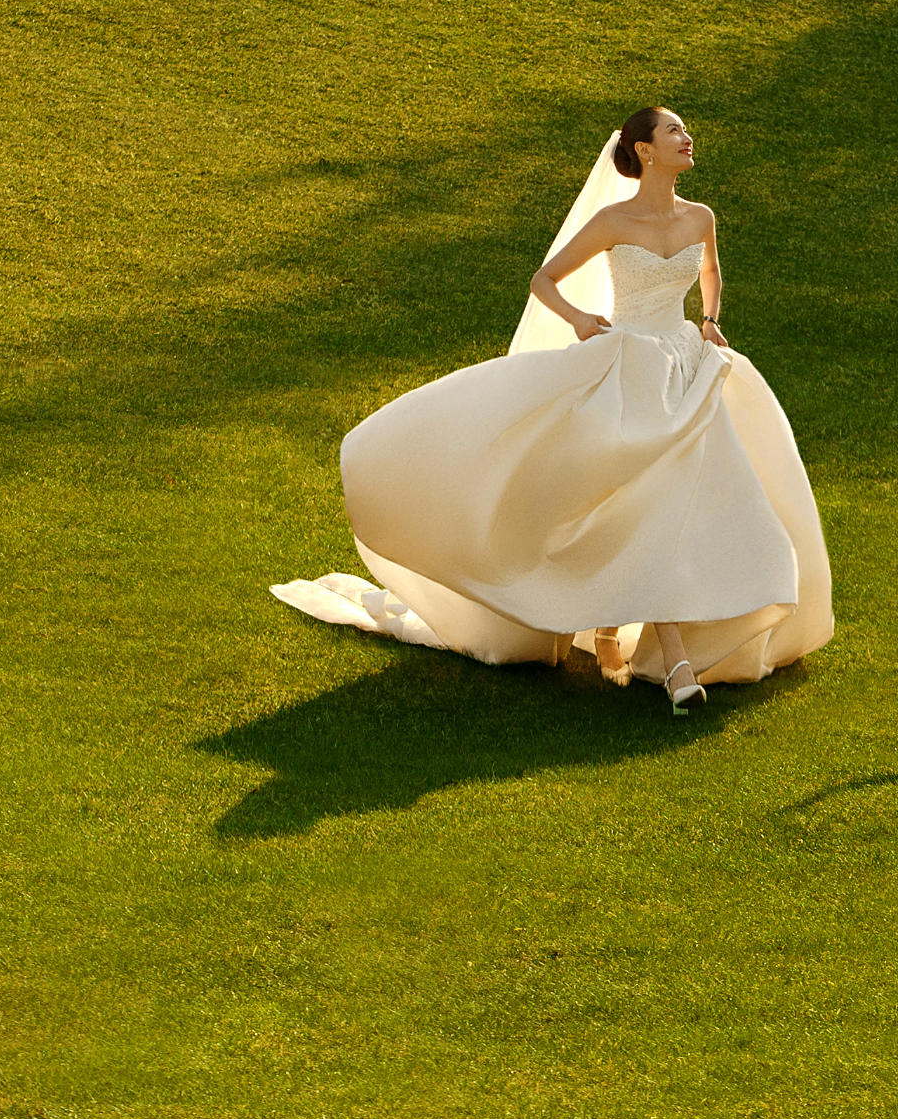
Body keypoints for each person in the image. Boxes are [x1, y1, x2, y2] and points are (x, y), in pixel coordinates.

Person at [270, 107, 834, 714]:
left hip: (686, 367)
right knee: (646, 503)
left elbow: (710, 271)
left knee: (681, 504)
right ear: (643, 151)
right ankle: (670, 664)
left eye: (684, 130)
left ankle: (644, 643)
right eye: (672, 131)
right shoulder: (613, 221)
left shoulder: (701, 217)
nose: (686, 137)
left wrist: (711, 321)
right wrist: (580, 321)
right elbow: (545, 280)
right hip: (629, 370)